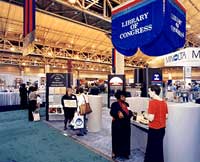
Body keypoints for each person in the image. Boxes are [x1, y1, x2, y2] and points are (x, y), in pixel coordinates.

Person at [143, 85, 168, 162]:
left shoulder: (152, 102)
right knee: (158, 150)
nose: (148, 93)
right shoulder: (164, 102)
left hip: (154, 130)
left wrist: (145, 114)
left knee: (151, 150)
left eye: (149, 91)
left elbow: (151, 118)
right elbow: (166, 116)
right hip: (162, 130)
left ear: (153, 92)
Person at [110, 90, 133, 160]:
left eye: (124, 96)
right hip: (117, 125)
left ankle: (125, 153)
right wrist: (118, 113)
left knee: (126, 139)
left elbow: (129, 113)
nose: (124, 98)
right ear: (119, 97)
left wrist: (130, 113)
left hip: (126, 125)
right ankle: (115, 153)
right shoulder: (114, 104)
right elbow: (112, 113)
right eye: (122, 96)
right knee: (116, 139)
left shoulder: (127, 104)